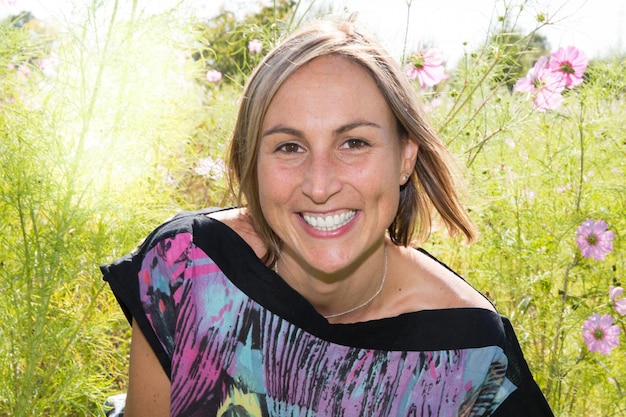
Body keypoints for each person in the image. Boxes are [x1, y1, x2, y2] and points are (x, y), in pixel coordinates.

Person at [101, 18, 554, 417]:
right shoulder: (189, 269)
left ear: (405, 157)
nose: (320, 186)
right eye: (289, 147)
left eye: (353, 143)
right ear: (251, 164)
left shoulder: (469, 354)